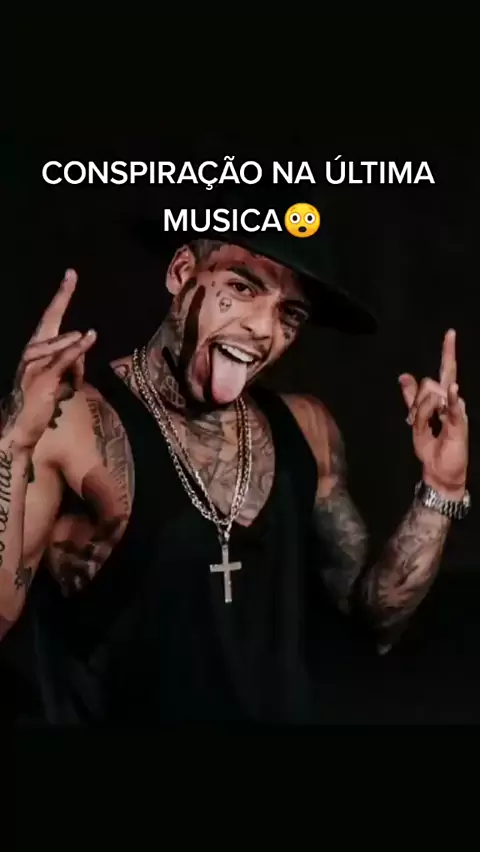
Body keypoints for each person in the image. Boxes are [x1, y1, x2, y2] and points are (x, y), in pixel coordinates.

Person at [0, 230, 470, 724]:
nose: (264, 329)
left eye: (290, 314)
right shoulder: (73, 424)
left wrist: (441, 490)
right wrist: (14, 442)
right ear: (182, 272)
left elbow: (374, 623)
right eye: (243, 288)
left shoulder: (307, 430)